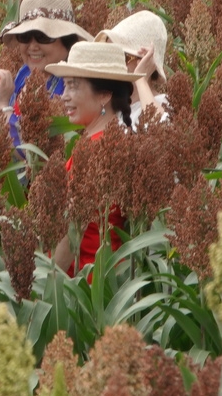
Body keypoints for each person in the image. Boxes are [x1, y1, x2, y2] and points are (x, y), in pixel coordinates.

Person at [42, 40, 145, 275]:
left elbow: (73, 233)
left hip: (83, 285)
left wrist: (46, 287)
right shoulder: (111, 140)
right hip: (104, 279)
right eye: (65, 86)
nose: (64, 96)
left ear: (104, 96)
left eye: (74, 86)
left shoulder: (97, 149)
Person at [0, 0, 94, 148]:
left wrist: (1, 107)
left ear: (67, 41)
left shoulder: (75, 84)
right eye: (24, 36)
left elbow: (38, 150)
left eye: (43, 37)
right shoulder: (24, 74)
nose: (32, 46)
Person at [98, 9, 172, 124]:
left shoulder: (164, 104)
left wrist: (141, 79)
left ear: (145, 60)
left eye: (122, 56)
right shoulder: (108, 107)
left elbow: (161, 132)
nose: (113, 63)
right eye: (110, 55)